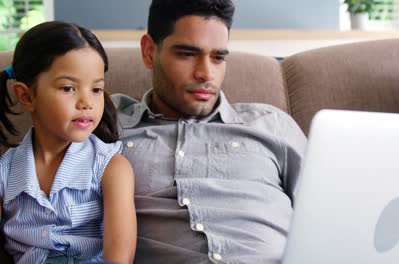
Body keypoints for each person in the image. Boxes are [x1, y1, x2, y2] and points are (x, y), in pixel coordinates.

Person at [111, 0, 307, 263]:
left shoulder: (271, 125)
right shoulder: (108, 125)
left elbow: (331, 216)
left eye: (218, 57)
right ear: (149, 52)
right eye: (187, 54)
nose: (206, 73)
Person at [0, 21, 136, 263]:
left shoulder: (111, 168)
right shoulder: (6, 172)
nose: (87, 102)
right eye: (68, 88)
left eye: (96, 89)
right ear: (26, 96)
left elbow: (120, 258)